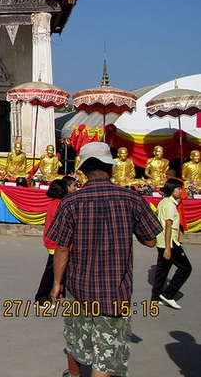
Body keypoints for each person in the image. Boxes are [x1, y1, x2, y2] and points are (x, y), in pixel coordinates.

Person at [46, 142, 162, 377]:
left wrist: (57, 283)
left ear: (84, 170)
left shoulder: (71, 202)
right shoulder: (131, 198)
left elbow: (61, 249)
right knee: (106, 356)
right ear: (110, 168)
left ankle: (74, 374)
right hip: (115, 290)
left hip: (78, 286)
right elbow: (151, 241)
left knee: (76, 338)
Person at [151, 178, 193, 310]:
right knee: (185, 268)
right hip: (169, 243)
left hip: (162, 241)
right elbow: (168, 226)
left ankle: (156, 297)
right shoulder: (169, 205)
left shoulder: (164, 202)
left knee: (163, 269)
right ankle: (168, 294)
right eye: (178, 189)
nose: (181, 191)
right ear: (171, 190)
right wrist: (168, 248)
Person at [34, 176, 76, 305]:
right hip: (55, 242)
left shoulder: (57, 203)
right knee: (52, 269)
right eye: (74, 186)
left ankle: (59, 292)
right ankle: (41, 297)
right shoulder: (59, 204)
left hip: (56, 241)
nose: (76, 188)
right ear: (66, 188)